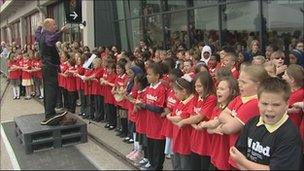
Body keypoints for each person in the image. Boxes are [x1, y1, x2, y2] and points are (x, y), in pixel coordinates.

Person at [230, 77, 303, 170]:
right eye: (264, 104)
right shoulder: (252, 122)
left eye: (276, 105)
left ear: (287, 104)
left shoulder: (290, 134)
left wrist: (244, 162)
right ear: (258, 102)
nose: (269, 109)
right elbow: (239, 154)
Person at [35, 18, 68, 125]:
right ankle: (49, 114)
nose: (55, 26)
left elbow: (36, 33)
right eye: (54, 24)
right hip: (50, 67)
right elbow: (51, 40)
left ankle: (50, 111)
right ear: (48, 26)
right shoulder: (47, 36)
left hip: (47, 67)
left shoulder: (41, 35)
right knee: (51, 90)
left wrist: (40, 26)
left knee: (49, 90)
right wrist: (61, 32)